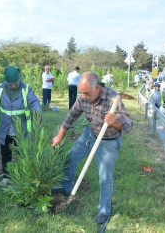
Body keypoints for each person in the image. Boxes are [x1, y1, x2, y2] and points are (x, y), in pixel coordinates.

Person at [51, 72, 133, 225]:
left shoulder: (113, 98)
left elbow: (129, 125)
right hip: (90, 135)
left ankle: (104, 211)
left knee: (105, 177)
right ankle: (66, 187)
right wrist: (60, 136)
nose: (82, 96)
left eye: (86, 93)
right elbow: (71, 116)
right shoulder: (83, 97)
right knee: (70, 158)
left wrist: (116, 122)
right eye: (80, 92)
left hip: (108, 141)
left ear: (97, 88)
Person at [0, 66, 41, 186]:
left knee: (22, 153)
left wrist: (37, 111)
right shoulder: (0, 89)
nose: (13, 86)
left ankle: (22, 176)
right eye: (10, 84)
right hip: (4, 128)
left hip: (21, 129)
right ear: (6, 81)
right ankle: (6, 177)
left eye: (15, 84)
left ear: (19, 80)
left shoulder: (26, 89)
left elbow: (34, 102)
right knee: (6, 153)